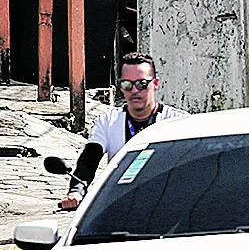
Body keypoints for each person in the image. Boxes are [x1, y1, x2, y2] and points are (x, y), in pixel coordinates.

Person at [61, 53, 177, 209]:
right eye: (127, 85)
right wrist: (76, 190)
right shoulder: (108, 122)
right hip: (120, 203)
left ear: (155, 84)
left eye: (142, 84)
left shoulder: (177, 122)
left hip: (166, 202)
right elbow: (89, 159)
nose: (135, 91)